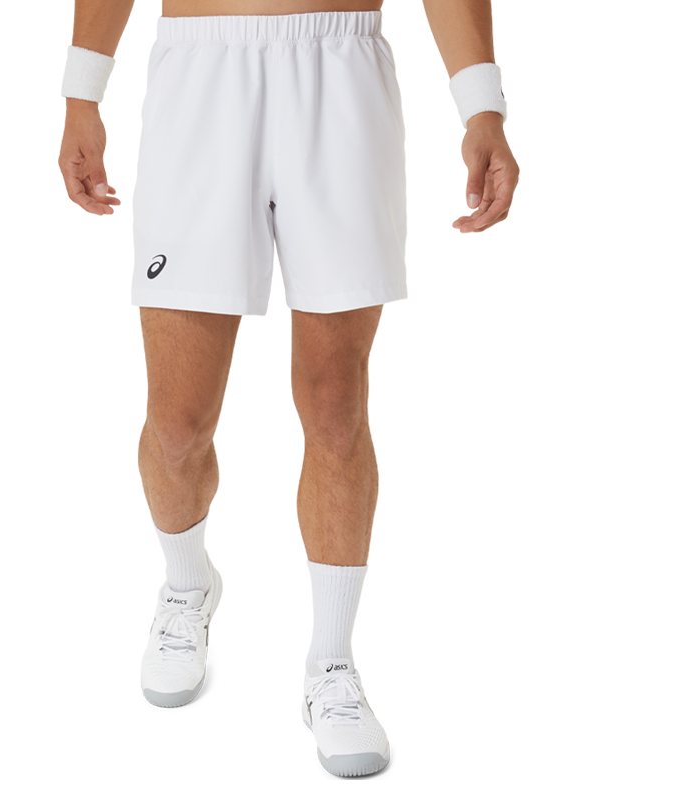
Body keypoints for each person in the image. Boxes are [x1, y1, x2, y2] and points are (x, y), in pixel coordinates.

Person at [58, 0, 519, 778]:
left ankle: (331, 666)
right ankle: (187, 585)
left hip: (339, 70)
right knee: (176, 425)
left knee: (336, 408)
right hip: (201, 71)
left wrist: (481, 104)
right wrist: (82, 90)